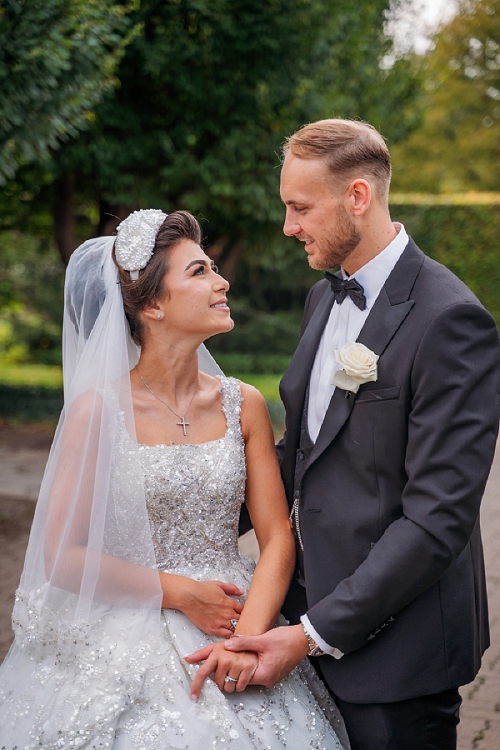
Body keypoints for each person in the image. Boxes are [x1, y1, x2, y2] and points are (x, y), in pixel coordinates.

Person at [189, 119, 500, 749]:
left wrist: (306, 635)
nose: (288, 226)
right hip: (301, 620)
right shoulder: (322, 298)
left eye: (300, 207)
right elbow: (302, 455)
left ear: (358, 196)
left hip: (398, 653)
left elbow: (436, 521)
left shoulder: (452, 320)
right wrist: (186, 526)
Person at [0, 209, 349, 748]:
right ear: (154, 305)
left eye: (212, 266)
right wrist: (182, 593)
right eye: (199, 271)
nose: (221, 280)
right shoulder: (98, 412)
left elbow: (278, 535)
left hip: (237, 617)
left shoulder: (243, 403)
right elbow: (61, 557)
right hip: (127, 623)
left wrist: (249, 639)